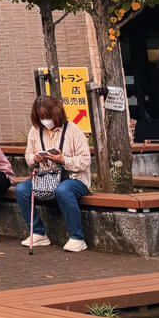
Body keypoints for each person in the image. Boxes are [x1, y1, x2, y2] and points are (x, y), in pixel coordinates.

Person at [14, 95, 92, 252]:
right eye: (41, 118)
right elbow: (28, 156)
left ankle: (77, 237)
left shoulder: (73, 130)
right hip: (46, 178)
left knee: (63, 190)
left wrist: (63, 160)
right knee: (21, 189)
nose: (45, 121)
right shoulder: (35, 131)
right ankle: (38, 233)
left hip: (73, 178)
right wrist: (35, 158)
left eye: (47, 117)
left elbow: (85, 161)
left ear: (56, 114)